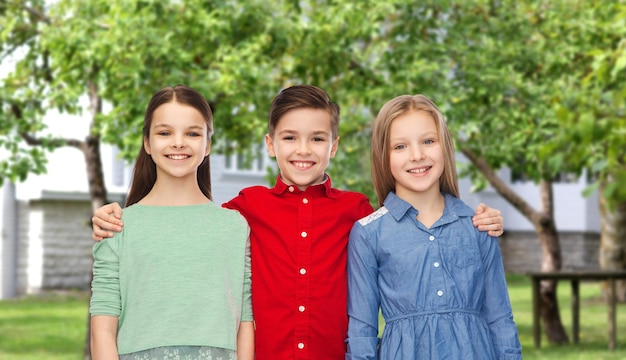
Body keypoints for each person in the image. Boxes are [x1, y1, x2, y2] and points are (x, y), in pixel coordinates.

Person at [91, 85, 505, 359]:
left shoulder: (359, 212)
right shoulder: (243, 210)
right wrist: (112, 217)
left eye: (318, 138)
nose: (303, 150)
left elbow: (413, 228)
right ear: (271, 144)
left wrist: (477, 218)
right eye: (289, 137)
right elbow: (186, 225)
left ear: (334, 146)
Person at [345, 94, 522, 359]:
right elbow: (362, 331)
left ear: (445, 147)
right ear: (384, 156)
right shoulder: (369, 234)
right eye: (400, 146)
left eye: (428, 141)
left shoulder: (478, 225)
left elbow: (500, 318)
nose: (417, 155)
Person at [89, 85, 254, 360]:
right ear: (147, 143)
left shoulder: (234, 227)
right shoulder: (118, 226)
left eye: (192, 133)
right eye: (165, 133)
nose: (178, 142)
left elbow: (245, 322)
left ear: (208, 144)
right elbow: (103, 330)